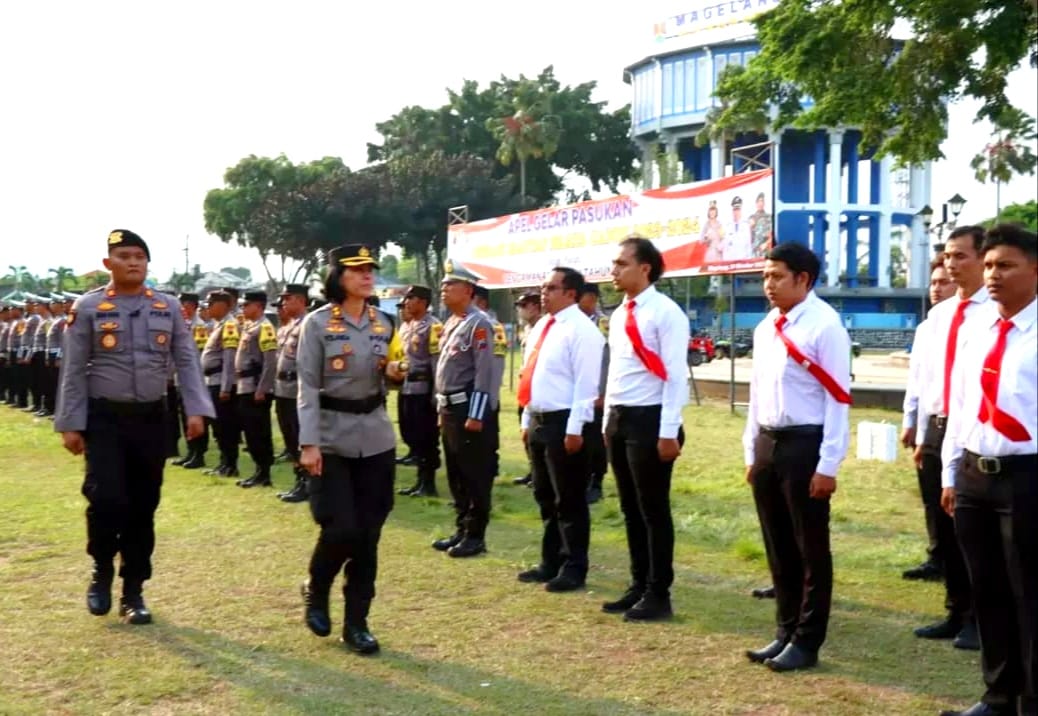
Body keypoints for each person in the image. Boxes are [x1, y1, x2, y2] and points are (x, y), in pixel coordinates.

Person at [54, 229, 214, 624]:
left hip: (151, 418)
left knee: (144, 506)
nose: (133, 262)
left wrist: (196, 410)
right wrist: (70, 424)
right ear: (109, 263)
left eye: (139, 256)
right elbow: (73, 370)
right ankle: (102, 567)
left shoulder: (167, 306)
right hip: (105, 419)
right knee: (107, 498)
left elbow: (186, 360)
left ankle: (133, 590)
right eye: (124, 255)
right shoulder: (88, 307)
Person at [938, 224, 1037, 716]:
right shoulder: (976, 329)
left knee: (1029, 595)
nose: (993, 275)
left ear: (1035, 270)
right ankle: (998, 696)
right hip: (976, 474)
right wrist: (951, 473)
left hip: (1028, 477)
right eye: (991, 265)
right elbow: (961, 406)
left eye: (1006, 266)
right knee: (990, 591)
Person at [742, 242, 851, 672]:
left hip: (806, 444)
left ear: (803, 279)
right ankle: (784, 630)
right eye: (765, 277)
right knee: (778, 544)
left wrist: (828, 464)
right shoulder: (768, 326)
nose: (767, 285)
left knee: (810, 548)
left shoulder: (825, 327)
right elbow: (755, 395)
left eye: (776, 276)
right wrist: (752, 450)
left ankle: (807, 640)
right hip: (770, 442)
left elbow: (838, 399)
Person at [297, 244, 405, 655]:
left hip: (376, 436)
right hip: (331, 436)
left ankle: (357, 623)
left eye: (369, 269)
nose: (366, 275)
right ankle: (317, 585)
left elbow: (393, 375)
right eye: (356, 269)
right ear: (337, 277)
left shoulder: (385, 322)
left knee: (369, 536)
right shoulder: (317, 324)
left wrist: (394, 374)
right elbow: (306, 386)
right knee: (340, 528)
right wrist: (309, 444)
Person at [907, 226, 989, 651]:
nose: (952, 264)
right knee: (944, 524)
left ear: (982, 258)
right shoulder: (938, 316)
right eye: (948, 256)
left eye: (961, 256)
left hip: (977, 433)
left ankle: (980, 618)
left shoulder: (994, 313)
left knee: (972, 531)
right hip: (940, 430)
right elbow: (928, 381)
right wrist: (922, 434)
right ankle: (955, 611)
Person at [601, 235, 689, 622]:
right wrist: (607, 423)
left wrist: (668, 431)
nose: (614, 270)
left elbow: (673, 376)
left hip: (652, 419)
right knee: (630, 509)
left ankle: (659, 592)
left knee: (653, 510)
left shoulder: (666, 313)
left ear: (645, 268)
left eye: (622, 264)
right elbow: (618, 372)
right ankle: (638, 584)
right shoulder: (620, 313)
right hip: (622, 417)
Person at [517, 267, 604, 592]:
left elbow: (586, 384)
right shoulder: (543, 325)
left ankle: (573, 566)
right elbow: (530, 372)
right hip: (539, 419)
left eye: (551, 288)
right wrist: (527, 420)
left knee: (569, 499)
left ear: (571, 293)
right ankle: (549, 561)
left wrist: (575, 429)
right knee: (544, 495)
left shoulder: (582, 330)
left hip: (566, 421)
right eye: (543, 287)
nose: (544, 293)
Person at [431, 260, 502, 558]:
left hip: (469, 411)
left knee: (475, 474)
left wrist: (476, 414)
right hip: (449, 409)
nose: (444, 290)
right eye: (444, 285)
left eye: (451, 285)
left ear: (468, 290)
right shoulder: (452, 323)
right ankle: (461, 529)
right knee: (456, 475)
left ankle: (475, 535)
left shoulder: (480, 324)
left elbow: (485, 374)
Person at [900, 255, 957, 575]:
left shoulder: (974, 322)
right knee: (931, 496)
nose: (936, 288)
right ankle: (938, 556)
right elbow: (917, 380)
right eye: (933, 283)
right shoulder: (926, 328)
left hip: (959, 423)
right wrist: (912, 423)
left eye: (943, 282)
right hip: (932, 423)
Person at [395, 285, 443, 497]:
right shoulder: (406, 326)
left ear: (423, 302)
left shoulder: (433, 327)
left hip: (423, 389)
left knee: (426, 437)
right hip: (406, 388)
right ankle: (419, 481)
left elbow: (436, 363)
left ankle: (428, 483)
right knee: (410, 433)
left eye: (410, 298)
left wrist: (435, 394)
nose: (406, 302)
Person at [234, 291, 278, 488]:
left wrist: (262, 388)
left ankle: (264, 472)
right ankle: (258, 470)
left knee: (259, 431)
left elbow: (270, 362)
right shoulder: (249, 326)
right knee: (250, 433)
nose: (243, 308)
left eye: (247, 305)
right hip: (245, 386)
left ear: (259, 306)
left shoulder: (265, 327)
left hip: (255, 387)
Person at [274, 284, 310, 503]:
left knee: (299, 437)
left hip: (296, 389)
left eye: (288, 299)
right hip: (282, 389)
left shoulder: (307, 325)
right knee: (289, 437)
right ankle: (299, 480)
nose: (284, 304)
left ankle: (306, 483)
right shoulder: (289, 326)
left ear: (300, 300)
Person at [200, 291, 241, 478]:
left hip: (221, 384)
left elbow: (229, 359)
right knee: (218, 427)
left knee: (226, 426)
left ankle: (231, 464)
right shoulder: (218, 326)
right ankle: (224, 463)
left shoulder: (230, 325)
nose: (207, 307)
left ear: (222, 305)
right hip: (212, 381)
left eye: (211, 303)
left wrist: (226, 387)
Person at [577, 282, 610, 504]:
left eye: (582, 297)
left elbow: (606, 360)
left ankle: (596, 482)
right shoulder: (571, 322)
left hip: (595, 391)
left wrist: (602, 391)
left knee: (596, 440)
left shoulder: (602, 323)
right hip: (576, 393)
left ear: (592, 298)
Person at [170, 293, 210, 469]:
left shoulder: (198, 327)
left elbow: (198, 356)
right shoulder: (184, 325)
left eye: (183, 305)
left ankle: (199, 454)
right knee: (185, 417)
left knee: (195, 416)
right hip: (180, 378)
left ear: (191, 306)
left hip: (193, 380)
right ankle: (191, 452)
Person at [473, 285, 507, 480]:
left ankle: (490, 470)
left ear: (482, 302)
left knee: (488, 437)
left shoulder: (491, 325)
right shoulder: (468, 322)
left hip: (487, 392)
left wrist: (490, 396)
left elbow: (494, 363)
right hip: (475, 392)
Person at [512, 291, 542, 486]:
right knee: (525, 430)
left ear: (535, 306)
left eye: (523, 306)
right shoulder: (526, 329)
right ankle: (533, 468)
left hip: (537, 387)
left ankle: (539, 471)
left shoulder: (543, 327)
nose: (520, 310)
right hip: (525, 386)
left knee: (535, 432)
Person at [723, 196, 753, 261]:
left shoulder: (746, 226)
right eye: (734, 210)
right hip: (730, 263)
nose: (736, 212)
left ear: (741, 211)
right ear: (732, 211)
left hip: (743, 263)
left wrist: (748, 262)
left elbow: (748, 246)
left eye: (738, 210)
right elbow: (725, 248)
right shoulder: (727, 226)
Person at [748, 192, 773, 257]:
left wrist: (766, 244)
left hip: (766, 250)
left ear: (764, 204)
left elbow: (773, 235)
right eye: (758, 202)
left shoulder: (769, 217)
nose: (760, 204)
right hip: (754, 252)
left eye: (762, 202)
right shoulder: (751, 218)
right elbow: (748, 237)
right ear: (756, 204)